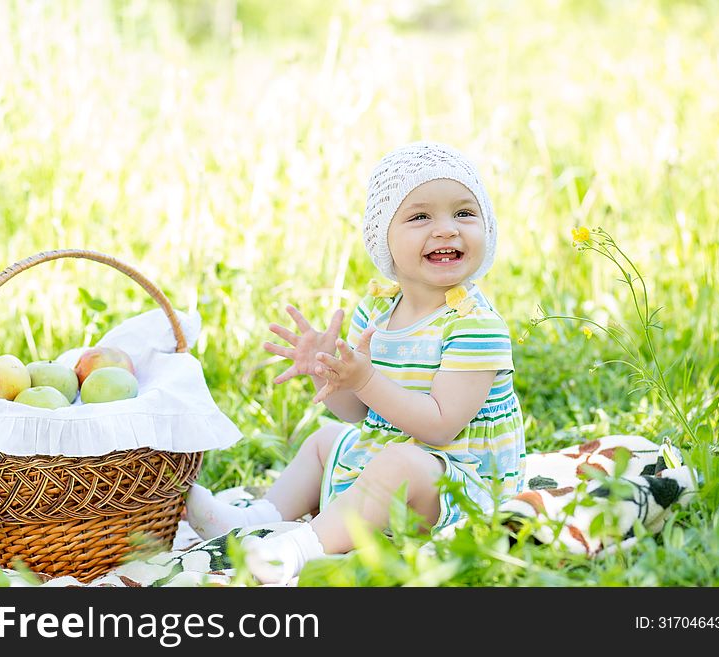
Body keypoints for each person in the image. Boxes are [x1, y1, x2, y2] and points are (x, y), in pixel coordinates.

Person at [186, 141, 526, 584]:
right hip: (393, 458)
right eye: (421, 216)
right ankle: (257, 521)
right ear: (383, 237)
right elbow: (360, 413)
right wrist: (333, 375)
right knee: (327, 438)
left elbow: (441, 426)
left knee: (402, 463)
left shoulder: (475, 326)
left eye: (464, 213)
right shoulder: (378, 311)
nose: (446, 229)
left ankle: (301, 547)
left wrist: (364, 377)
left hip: (459, 483)